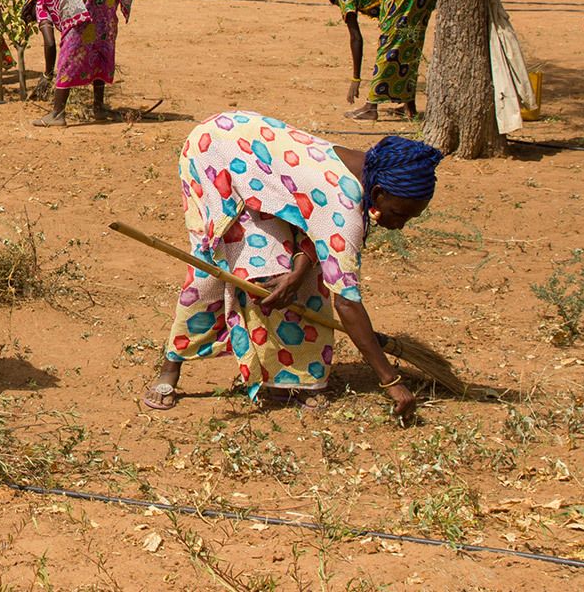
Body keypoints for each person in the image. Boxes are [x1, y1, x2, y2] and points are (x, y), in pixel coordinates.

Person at [144, 111, 439, 424]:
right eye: (399, 214)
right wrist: (391, 382)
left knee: (301, 276)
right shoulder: (345, 203)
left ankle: (293, 376)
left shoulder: (362, 170)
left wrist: (299, 271)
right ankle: (171, 365)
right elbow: (348, 302)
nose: (400, 225)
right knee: (216, 267)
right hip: (214, 152)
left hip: (256, 165)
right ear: (378, 193)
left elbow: (310, 219)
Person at [32, 0, 132, 126]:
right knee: (99, 35)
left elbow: (49, 44)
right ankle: (99, 108)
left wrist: (47, 75)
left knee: (73, 44)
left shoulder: (41, 3)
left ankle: (57, 114)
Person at [330, 0, 438, 121]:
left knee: (388, 46)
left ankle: (370, 107)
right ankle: (410, 108)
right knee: (409, 45)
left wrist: (356, 79)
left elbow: (356, 38)